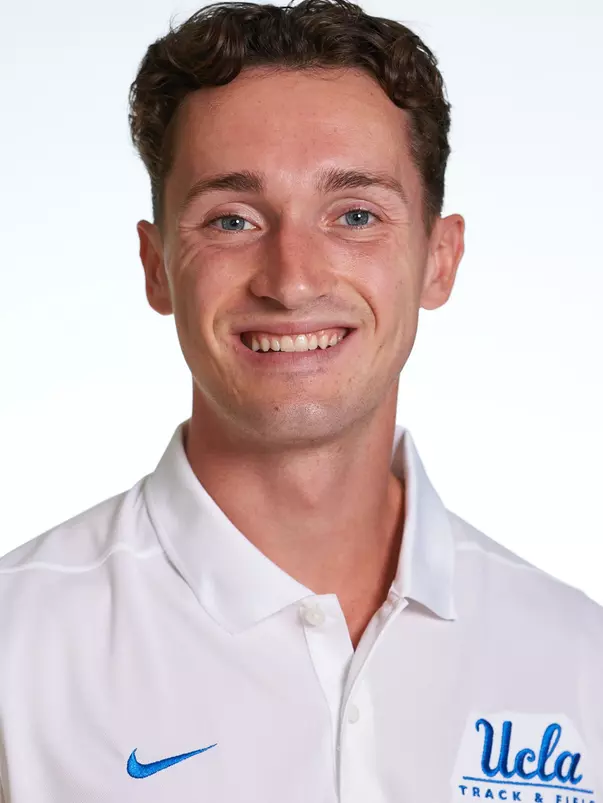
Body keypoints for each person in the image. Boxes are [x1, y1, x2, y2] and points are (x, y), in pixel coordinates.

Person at [1, 0, 601, 799]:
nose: (291, 279)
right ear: (156, 267)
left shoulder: (576, 658)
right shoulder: (16, 652)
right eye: (232, 219)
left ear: (439, 259)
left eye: (354, 215)